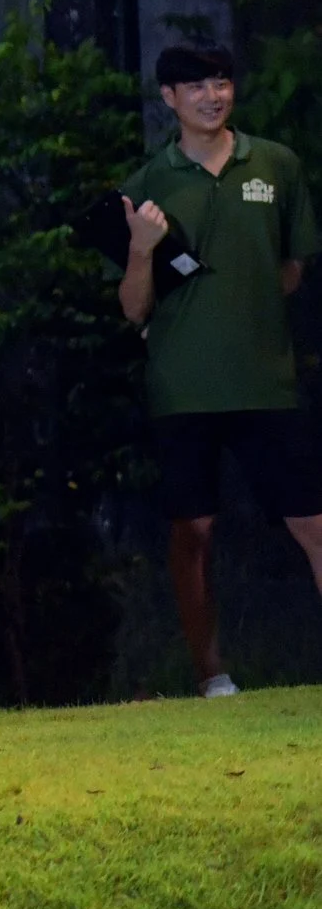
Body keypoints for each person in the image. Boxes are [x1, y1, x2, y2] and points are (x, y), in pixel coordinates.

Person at [120, 42, 322, 699]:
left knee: (313, 521)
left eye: (223, 81)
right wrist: (143, 251)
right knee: (193, 530)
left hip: (265, 378)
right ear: (169, 98)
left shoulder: (277, 165)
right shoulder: (152, 180)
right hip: (184, 385)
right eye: (197, 84)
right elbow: (133, 307)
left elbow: (292, 269)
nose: (214, 94)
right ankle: (213, 676)